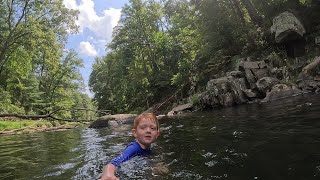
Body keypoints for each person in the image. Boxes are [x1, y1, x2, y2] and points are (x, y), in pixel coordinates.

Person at [100, 113, 160, 180]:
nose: (148, 131)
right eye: (143, 128)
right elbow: (113, 162)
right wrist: (109, 173)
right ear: (135, 133)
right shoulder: (134, 148)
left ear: (157, 134)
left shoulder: (149, 148)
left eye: (152, 128)